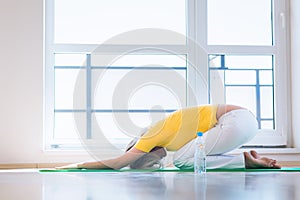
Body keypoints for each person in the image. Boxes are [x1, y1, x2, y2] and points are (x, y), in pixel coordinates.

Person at [57, 104, 281, 170]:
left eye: (142, 157)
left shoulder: (149, 136)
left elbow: (117, 163)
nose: (158, 159)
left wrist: (77, 165)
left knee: (183, 161)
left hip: (235, 120)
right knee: (187, 156)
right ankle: (247, 159)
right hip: (243, 122)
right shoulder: (166, 135)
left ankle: (245, 161)